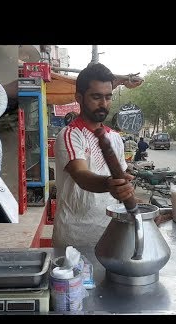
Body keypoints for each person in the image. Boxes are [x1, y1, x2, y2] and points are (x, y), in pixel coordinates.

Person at [52, 63, 135, 249]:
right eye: (96, 97)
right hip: (74, 239)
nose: (103, 104)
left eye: (108, 97)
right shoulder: (70, 135)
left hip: (111, 234)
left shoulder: (115, 138)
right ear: (79, 98)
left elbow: (120, 178)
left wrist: (126, 189)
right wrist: (109, 184)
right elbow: (81, 176)